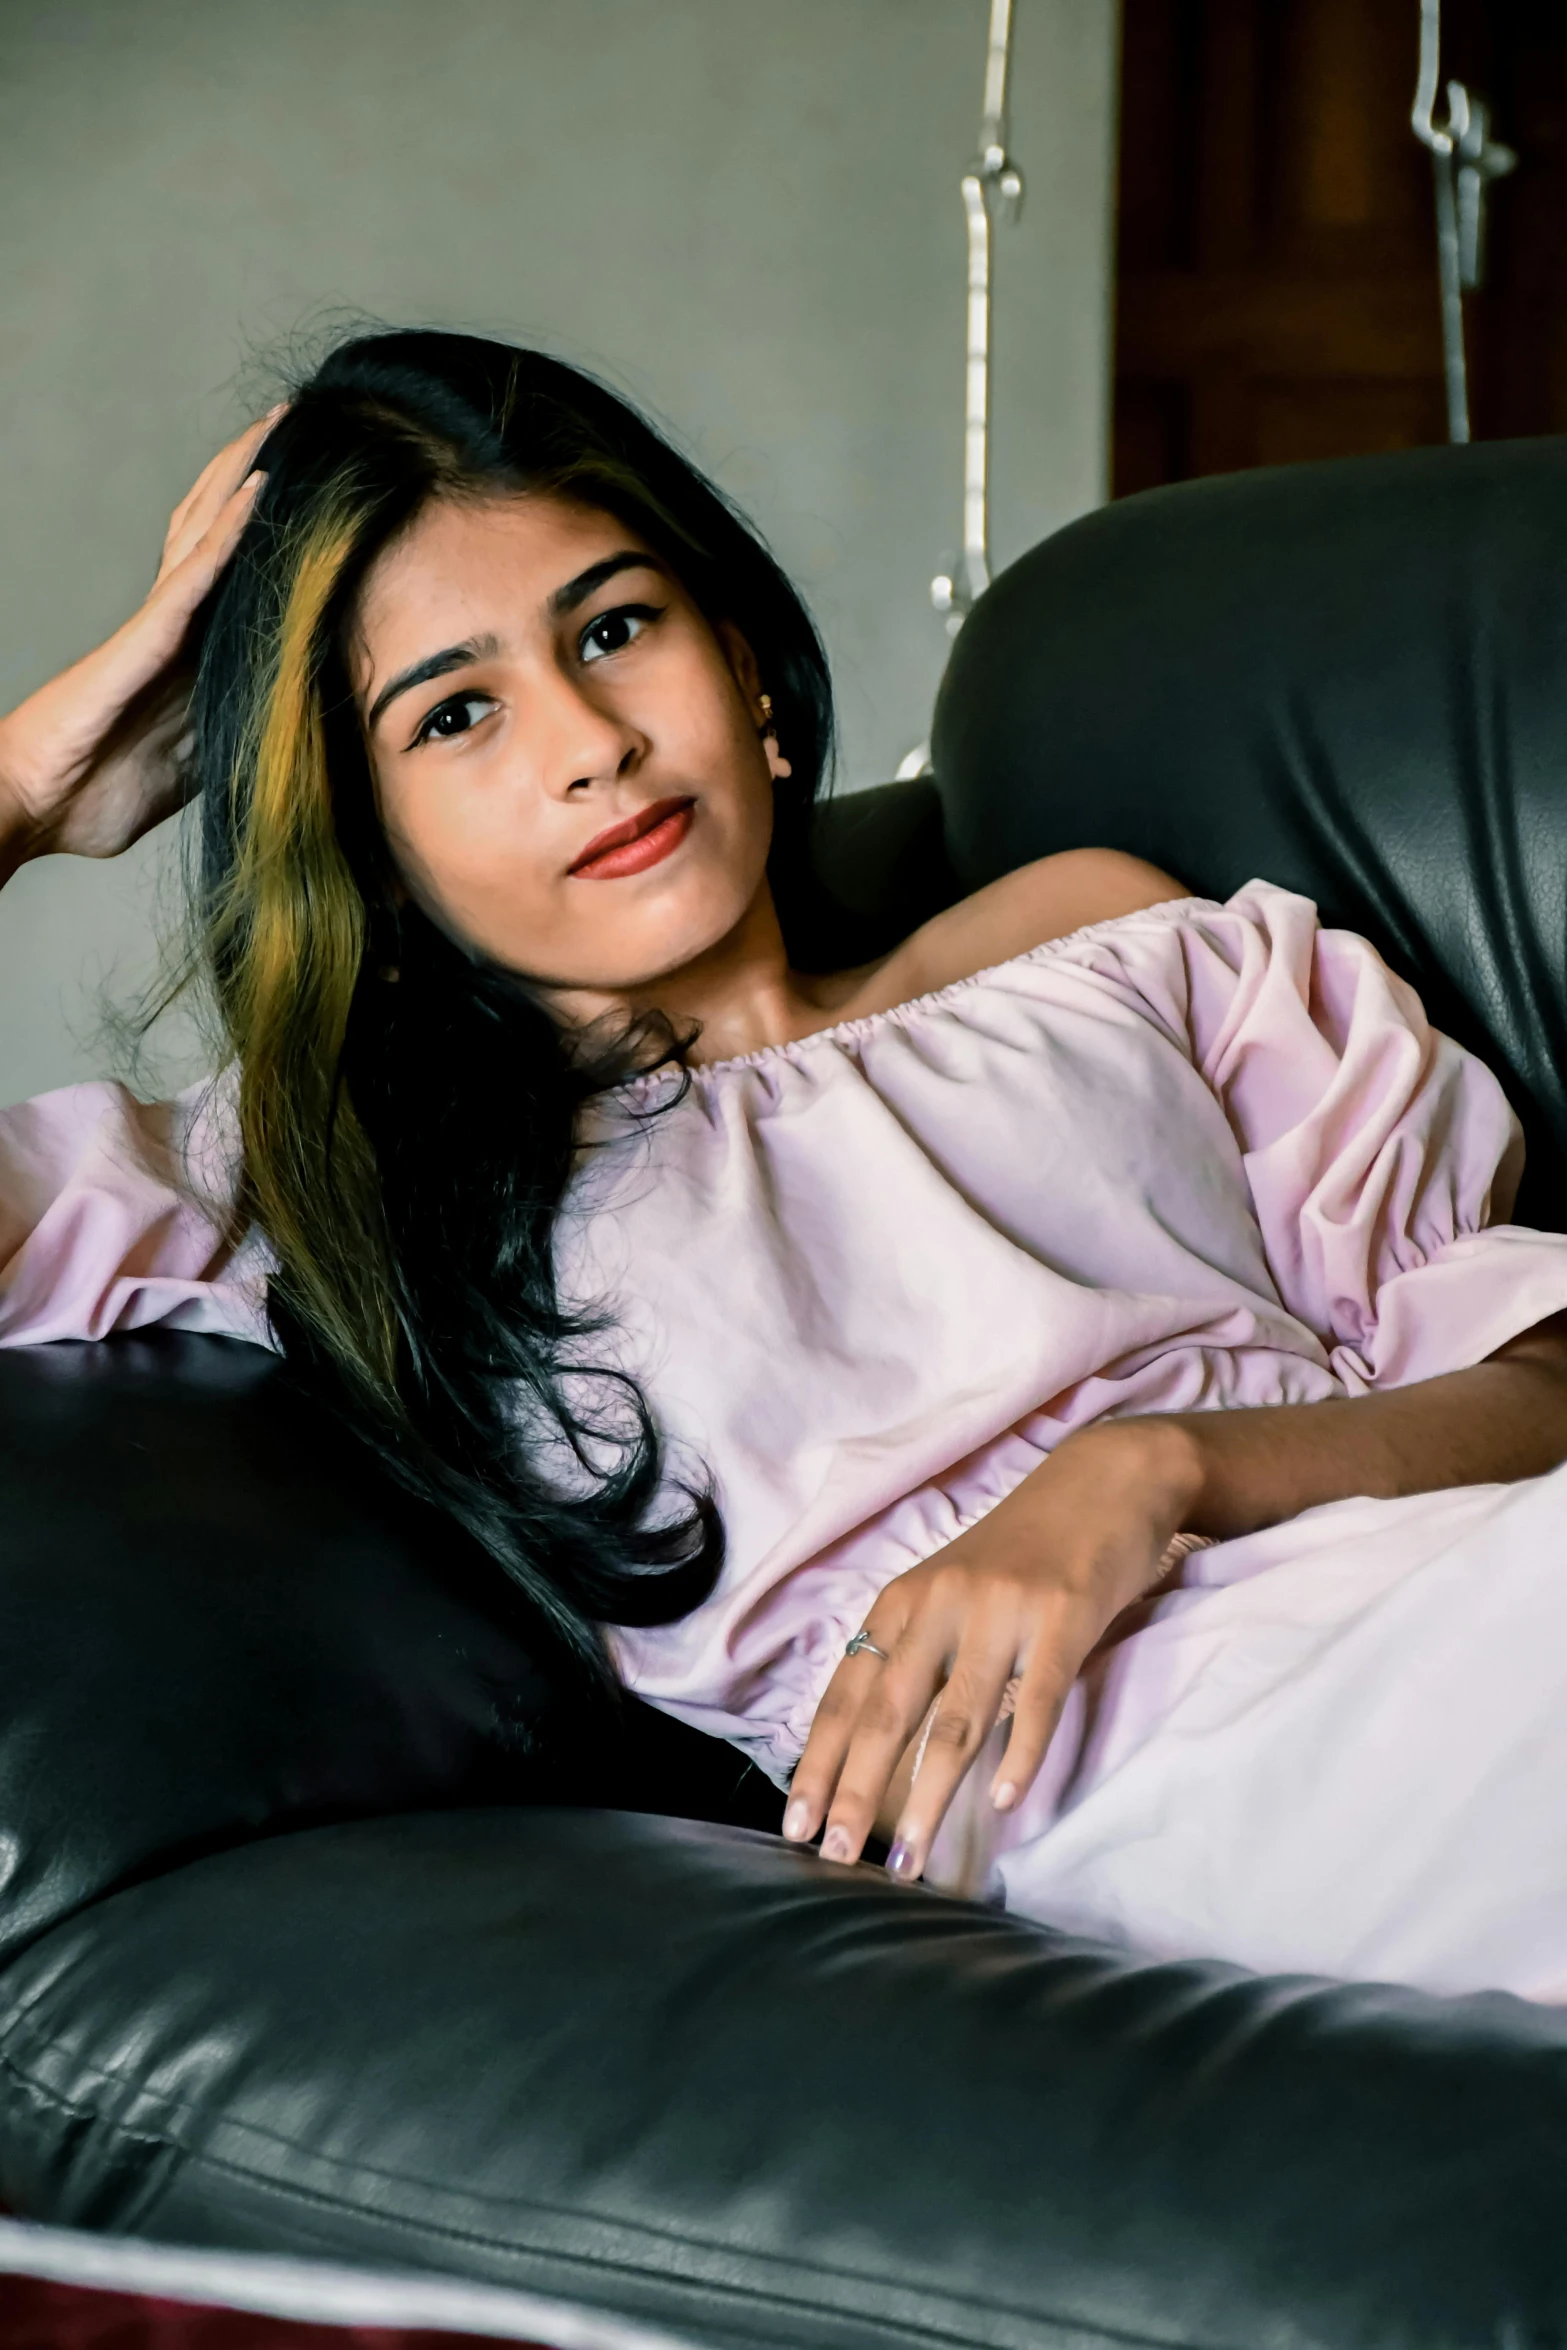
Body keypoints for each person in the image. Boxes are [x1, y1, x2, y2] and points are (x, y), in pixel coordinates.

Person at [5, 329, 1567, 1998]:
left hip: (1453, 1586)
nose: (588, 739)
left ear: (742, 668)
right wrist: (25, 788)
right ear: (376, 854)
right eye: (457, 714)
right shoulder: (332, 1173)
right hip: (1111, 1775)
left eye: (613, 628)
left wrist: (1151, 1472)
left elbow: (1532, 1379)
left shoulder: (1115, 937)